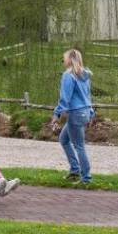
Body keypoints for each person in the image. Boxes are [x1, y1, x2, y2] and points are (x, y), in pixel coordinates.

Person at [52, 49, 94, 186]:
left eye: (64, 58)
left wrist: (57, 114)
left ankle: (86, 178)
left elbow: (65, 98)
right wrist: (91, 113)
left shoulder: (68, 75)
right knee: (64, 139)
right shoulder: (84, 74)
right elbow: (87, 96)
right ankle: (75, 170)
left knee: (79, 146)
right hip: (85, 112)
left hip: (76, 114)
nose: (63, 61)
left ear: (70, 59)